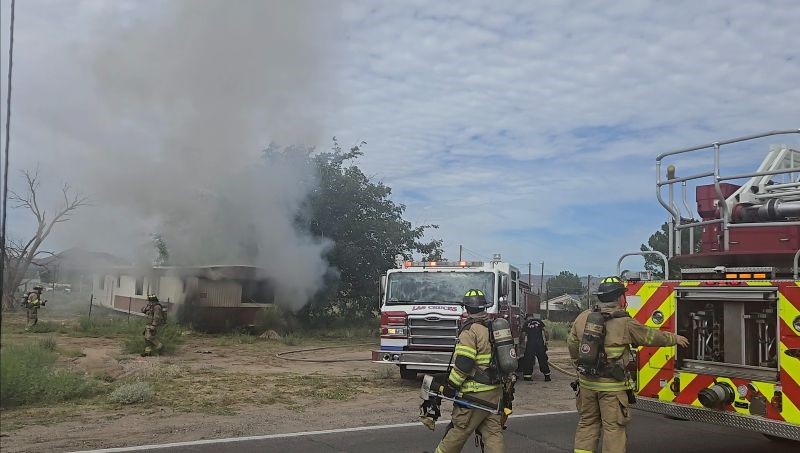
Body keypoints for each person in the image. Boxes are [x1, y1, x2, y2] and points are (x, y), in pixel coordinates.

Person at [567, 276, 689, 453]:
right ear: (619, 297)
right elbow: (649, 336)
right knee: (613, 427)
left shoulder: (582, 317)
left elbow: (572, 344)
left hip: (586, 384)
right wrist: (674, 338)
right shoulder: (624, 322)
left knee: (587, 423)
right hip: (612, 387)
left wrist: (578, 366)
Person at [433, 289, 505, 453]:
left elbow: (464, 364)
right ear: (484, 307)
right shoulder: (492, 327)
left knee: (458, 431)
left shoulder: (470, 330)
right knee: (493, 434)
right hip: (495, 392)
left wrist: (451, 386)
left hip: (474, 394)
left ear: (466, 308)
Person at [519, 312, 551, 381]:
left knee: (528, 360)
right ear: (533, 316)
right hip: (540, 343)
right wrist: (547, 341)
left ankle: (527, 376)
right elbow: (546, 332)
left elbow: (523, 335)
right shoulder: (539, 321)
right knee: (543, 359)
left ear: (526, 318)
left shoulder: (526, 323)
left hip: (531, 344)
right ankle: (547, 376)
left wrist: (520, 343)